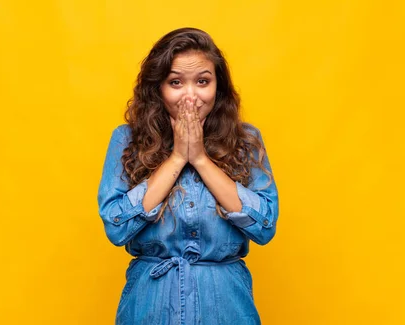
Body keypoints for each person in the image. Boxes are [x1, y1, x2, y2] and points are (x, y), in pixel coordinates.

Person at [97, 27, 279, 325]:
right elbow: (117, 227)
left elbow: (265, 225)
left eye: (203, 81)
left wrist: (200, 158)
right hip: (151, 306)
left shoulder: (246, 141)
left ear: (218, 87)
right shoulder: (126, 140)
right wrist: (178, 156)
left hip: (225, 306)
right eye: (176, 82)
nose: (190, 96)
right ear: (158, 88)